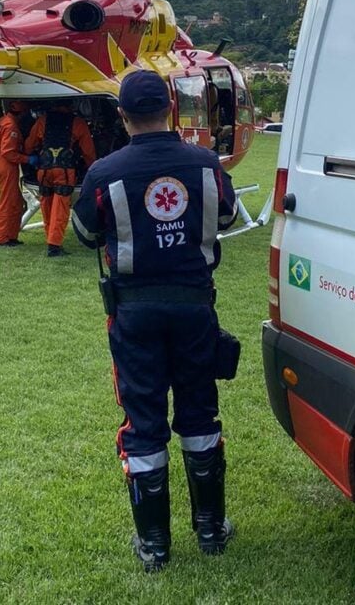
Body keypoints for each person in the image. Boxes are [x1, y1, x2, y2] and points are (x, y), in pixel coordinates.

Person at [72, 70, 237, 572]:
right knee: (199, 412)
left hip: (134, 312)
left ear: (121, 116)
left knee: (143, 421)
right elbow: (227, 218)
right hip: (194, 307)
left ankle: (155, 547)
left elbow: (82, 231)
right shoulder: (206, 164)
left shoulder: (105, 172)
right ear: (170, 107)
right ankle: (210, 531)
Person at [23, 100, 96, 257]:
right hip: (64, 170)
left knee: (46, 202)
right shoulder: (78, 123)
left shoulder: (42, 121)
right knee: (60, 207)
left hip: (44, 169)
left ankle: (50, 237)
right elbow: (88, 152)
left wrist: (31, 157)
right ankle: (54, 245)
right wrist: (93, 168)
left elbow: (29, 145)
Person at [0, 100, 37, 247]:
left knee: (16, 202)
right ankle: (1, 238)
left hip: (0, 163)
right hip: (7, 166)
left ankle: (11, 235)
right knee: (7, 202)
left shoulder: (3, 120)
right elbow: (8, 152)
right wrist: (27, 159)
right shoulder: (11, 125)